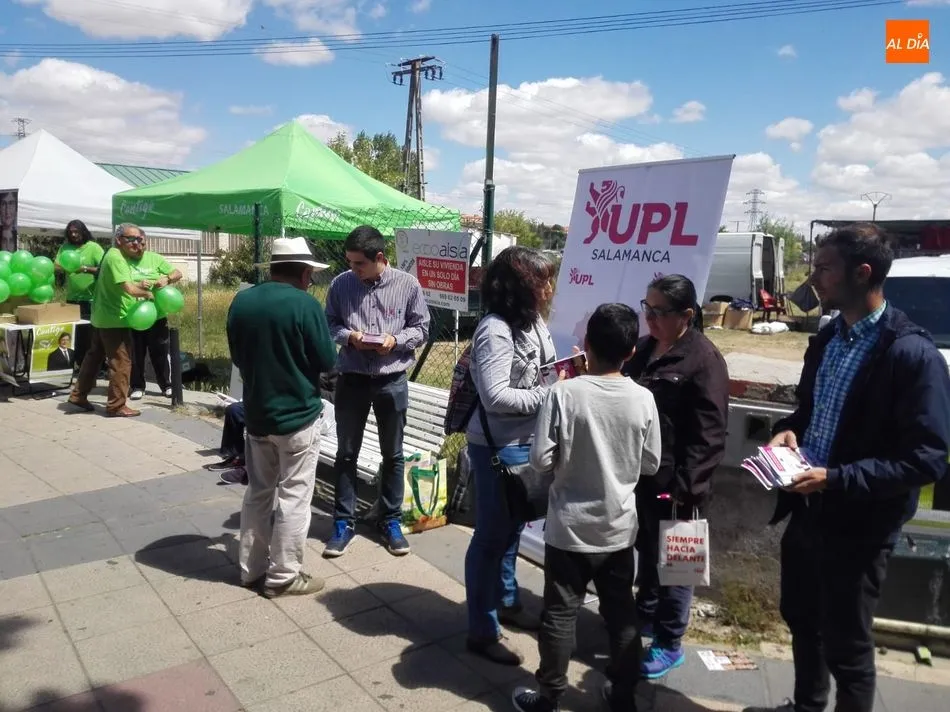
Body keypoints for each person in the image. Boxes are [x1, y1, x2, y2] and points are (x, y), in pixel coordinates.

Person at [745, 224, 950, 712]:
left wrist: (837, 479)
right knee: (801, 617)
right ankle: (808, 705)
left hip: (859, 525)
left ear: (862, 273)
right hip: (807, 510)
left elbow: (926, 458)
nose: (813, 278)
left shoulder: (911, 354)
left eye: (823, 269)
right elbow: (810, 412)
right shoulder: (829, 338)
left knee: (848, 646)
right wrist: (790, 431)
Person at [512, 303, 661, 712]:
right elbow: (650, 463)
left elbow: (541, 461)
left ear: (586, 346)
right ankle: (624, 697)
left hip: (568, 528)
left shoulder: (564, 393)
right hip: (617, 529)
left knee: (560, 614)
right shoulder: (643, 398)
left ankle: (549, 697)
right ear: (632, 352)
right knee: (621, 614)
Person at [622, 274, 729, 679]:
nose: (649, 317)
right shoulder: (645, 350)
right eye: (646, 308)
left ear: (686, 315)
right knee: (648, 554)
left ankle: (669, 642)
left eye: (659, 311)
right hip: (645, 476)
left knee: (679, 563)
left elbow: (711, 432)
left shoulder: (703, 360)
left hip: (681, 484)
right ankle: (645, 617)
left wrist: (690, 488)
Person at [226, 236, 336, 598]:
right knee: (294, 496)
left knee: (258, 493)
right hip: (298, 417)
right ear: (305, 273)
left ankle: (250, 569)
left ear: (273, 268)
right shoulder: (304, 305)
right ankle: (284, 575)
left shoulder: (242, 301)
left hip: (256, 414)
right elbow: (327, 361)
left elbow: (239, 358)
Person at [464, 246, 558, 666]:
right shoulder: (495, 330)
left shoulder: (533, 321)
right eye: (541, 281)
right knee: (490, 537)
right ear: (519, 286)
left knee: (513, 530)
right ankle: (482, 629)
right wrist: (551, 397)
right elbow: (496, 395)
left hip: (528, 441)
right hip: (497, 448)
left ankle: (506, 600)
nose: (549, 288)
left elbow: (545, 369)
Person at [322, 225, 430, 558]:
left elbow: (422, 327)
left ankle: (390, 520)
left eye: (359, 264)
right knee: (346, 453)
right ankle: (344, 522)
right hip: (352, 378)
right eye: (350, 263)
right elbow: (330, 323)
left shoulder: (407, 285)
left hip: (391, 379)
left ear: (379, 258)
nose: (353, 270)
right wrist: (349, 337)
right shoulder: (341, 284)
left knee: (393, 455)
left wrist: (395, 341)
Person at [68, 223, 155, 417]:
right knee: (121, 362)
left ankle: (78, 395)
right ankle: (116, 405)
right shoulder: (116, 258)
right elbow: (129, 289)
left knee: (93, 358)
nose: (136, 243)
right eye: (130, 239)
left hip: (101, 317)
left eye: (140, 240)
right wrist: (148, 294)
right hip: (115, 319)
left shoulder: (111, 254)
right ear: (118, 240)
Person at [128, 239, 182, 400]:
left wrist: (166, 279)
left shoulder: (155, 258)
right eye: (135, 244)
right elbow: (119, 283)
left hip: (157, 315)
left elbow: (177, 273)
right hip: (135, 315)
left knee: (160, 352)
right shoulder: (123, 261)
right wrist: (137, 284)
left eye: (142, 244)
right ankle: (137, 386)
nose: (139, 248)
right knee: (136, 353)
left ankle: (166, 385)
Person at [54, 219, 104, 370]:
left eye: (76, 231)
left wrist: (84, 269)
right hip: (72, 299)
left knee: (91, 336)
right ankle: (80, 365)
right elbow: (56, 264)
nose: (74, 235)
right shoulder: (65, 247)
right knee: (75, 335)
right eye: (71, 232)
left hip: (91, 298)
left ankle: (96, 368)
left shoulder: (93, 247)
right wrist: (62, 267)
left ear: (83, 231)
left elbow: (103, 269)